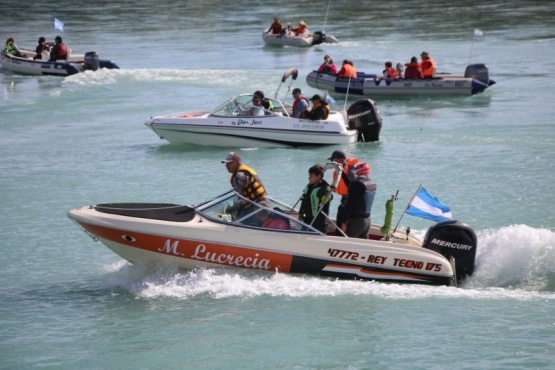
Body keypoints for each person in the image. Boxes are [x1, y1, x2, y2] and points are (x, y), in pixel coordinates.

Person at [222, 152, 267, 222]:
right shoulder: (246, 171)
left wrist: (228, 210)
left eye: (229, 163)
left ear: (237, 162)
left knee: (238, 223)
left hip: (256, 207)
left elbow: (238, 197)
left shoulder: (239, 175)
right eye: (226, 164)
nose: (226, 166)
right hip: (263, 203)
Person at [326, 149, 358, 235]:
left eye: (333, 160)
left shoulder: (350, 171)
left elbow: (355, 188)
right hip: (344, 202)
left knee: (341, 227)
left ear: (338, 159)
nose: (332, 162)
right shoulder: (342, 169)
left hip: (349, 205)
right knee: (339, 219)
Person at [341, 163, 376, 239]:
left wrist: (344, 221)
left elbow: (350, 204)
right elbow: (353, 188)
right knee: (362, 247)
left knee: (346, 246)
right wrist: (343, 175)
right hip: (367, 221)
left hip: (356, 222)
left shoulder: (357, 184)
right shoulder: (372, 183)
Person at [299, 165, 333, 234]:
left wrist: (327, 198)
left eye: (311, 176)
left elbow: (330, 196)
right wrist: (300, 213)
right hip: (307, 219)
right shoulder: (309, 186)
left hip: (319, 221)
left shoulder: (324, 188)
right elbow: (303, 200)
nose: (309, 178)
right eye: (309, 176)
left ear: (319, 176)